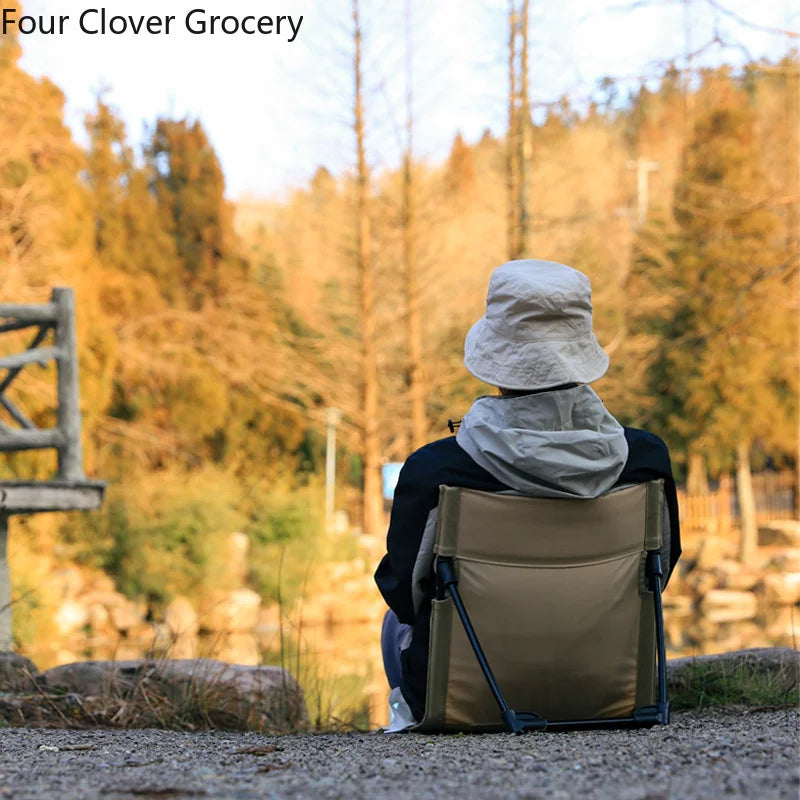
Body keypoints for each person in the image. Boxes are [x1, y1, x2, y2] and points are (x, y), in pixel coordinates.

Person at [373, 258, 681, 731]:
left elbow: (403, 594)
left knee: (395, 627)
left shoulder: (435, 471)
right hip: (611, 692)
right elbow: (657, 575)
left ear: (498, 357)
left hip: (467, 697)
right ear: (581, 351)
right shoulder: (645, 462)